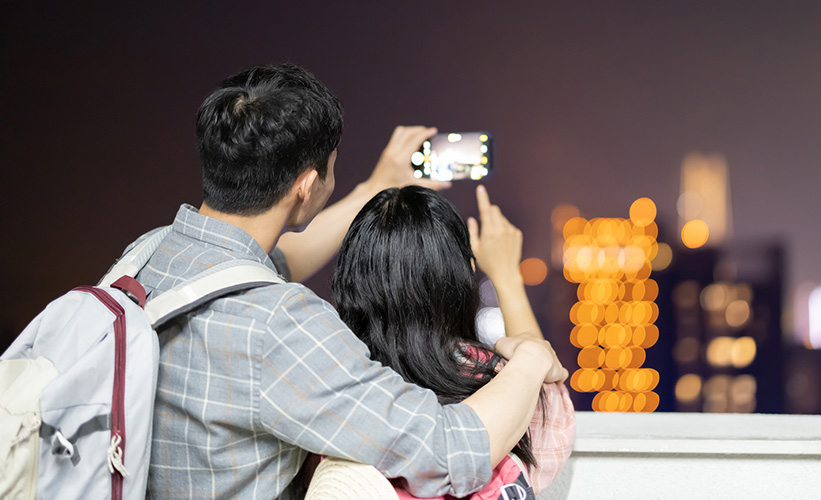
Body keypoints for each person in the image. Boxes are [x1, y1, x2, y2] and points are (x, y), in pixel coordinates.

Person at [119, 63, 565, 500]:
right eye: (332, 168)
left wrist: (377, 185)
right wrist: (529, 359)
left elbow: (277, 257)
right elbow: (450, 450)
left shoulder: (151, 256)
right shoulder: (279, 324)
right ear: (307, 184)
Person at [327, 185, 575, 498]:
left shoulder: (332, 389)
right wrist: (507, 277)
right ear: (465, 276)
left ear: (349, 281)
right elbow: (545, 394)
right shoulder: (503, 382)